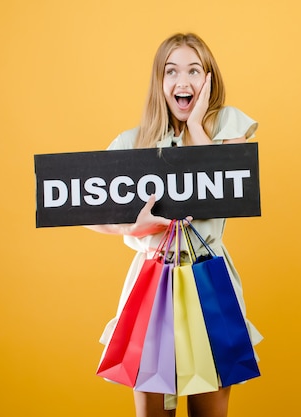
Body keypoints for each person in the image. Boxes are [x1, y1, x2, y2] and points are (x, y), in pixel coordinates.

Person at [86, 33, 262, 417]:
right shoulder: (134, 143)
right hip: (151, 280)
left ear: (209, 79)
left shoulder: (227, 128)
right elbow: (86, 206)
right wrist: (132, 229)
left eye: (194, 71)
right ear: (159, 82)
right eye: (172, 72)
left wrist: (197, 123)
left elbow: (222, 181)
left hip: (209, 280)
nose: (183, 82)